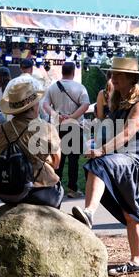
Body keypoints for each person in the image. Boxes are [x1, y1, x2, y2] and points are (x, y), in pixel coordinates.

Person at [71, 57, 139, 276]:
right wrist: (95, 144)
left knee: (98, 163)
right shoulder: (116, 101)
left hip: (136, 158)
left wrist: (101, 151)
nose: (112, 78)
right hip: (119, 158)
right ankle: (137, 263)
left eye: (117, 74)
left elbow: (128, 134)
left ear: (131, 78)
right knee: (130, 212)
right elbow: (110, 130)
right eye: (112, 74)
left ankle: (89, 213)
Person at [0, 82, 63, 208]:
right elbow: (56, 163)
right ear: (34, 106)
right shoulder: (46, 129)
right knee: (58, 188)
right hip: (40, 192)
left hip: (6, 191)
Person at [43, 62, 90, 198]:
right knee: (73, 160)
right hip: (74, 126)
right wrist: (72, 117)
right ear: (73, 72)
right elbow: (85, 105)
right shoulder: (80, 87)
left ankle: (56, 187)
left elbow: (45, 105)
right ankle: (72, 189)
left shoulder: (52, 88)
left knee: (58, 158)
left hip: (58, 127)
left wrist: (56, 115)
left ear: (62, 71)